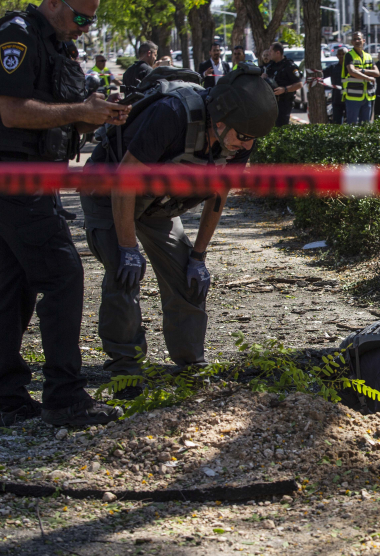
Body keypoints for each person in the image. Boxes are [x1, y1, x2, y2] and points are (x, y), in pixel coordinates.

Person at [80, 65, 278, 399]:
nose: (247, 145)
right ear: (220, 117)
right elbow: (123, 181)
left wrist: (198, 257)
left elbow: (219, 195)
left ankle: (190, 367)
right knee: (123, 276)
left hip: (158, 204)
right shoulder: (170, 114)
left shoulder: (243, 134)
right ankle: (126, 373)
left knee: (188, 279)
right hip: (110, 193)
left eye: (252, 139)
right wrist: (128, 247)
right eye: (243, 137)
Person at [0, 0, 129, 427]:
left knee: (13, 284)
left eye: (92, 21)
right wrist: (78, 112)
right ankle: (65, 396)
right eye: (80, 17)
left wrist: (97, 116)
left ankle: (6, 397)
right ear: (53, 2)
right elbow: (12, 111)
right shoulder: (17, 33)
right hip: (16, 178)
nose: (85, 27)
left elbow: (61, 120)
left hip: (34, 178)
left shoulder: (56, 45)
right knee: (63, 275)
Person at [343, 32, 378, 124]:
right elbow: (352, 71)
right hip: (353, 97)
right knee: (352, 126)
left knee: (365, 127)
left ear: (364, 40)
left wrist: (362, 70)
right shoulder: (349, 55)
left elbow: (377, 73)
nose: (357, 41)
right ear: (352, 42)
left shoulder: (368, 56)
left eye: (359, 39)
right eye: (354, 39)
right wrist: (368, 78)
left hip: (367, 97)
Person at [265, 42, 302, 127]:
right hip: (270, 102)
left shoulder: (289, 66)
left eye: (271, 51)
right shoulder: (271, 65)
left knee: (281, 127)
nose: (269, 53)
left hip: (284, 102)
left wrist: (284, 89)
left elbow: (299, 84)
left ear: (278, 52)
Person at [322, 47, 348, 124]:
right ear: (336, 56)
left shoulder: (351, 67)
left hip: (350, 98)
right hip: (336, 99)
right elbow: (321, 75)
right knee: (337, 122)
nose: (341, 56)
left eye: (343, 54)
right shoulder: (333, 67)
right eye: (339, 54)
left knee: (351, 122)